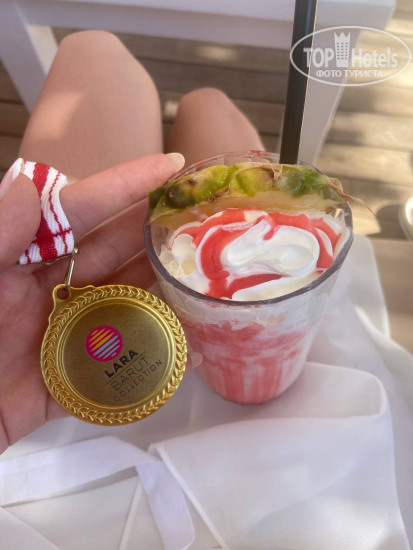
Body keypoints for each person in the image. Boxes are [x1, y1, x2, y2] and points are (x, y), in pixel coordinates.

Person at [0, 31, 264, 453]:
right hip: (247, 400)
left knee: (91, 48)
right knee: (205, 103)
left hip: (47, 439)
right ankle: (201, 100)